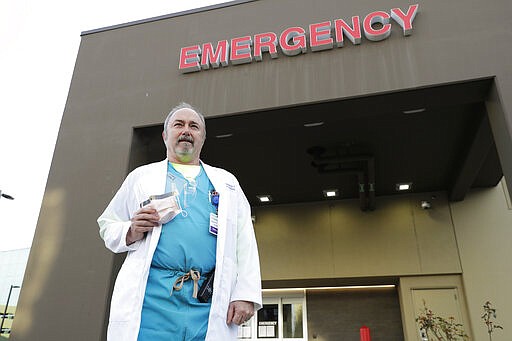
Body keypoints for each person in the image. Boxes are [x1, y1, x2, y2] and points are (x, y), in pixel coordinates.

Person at [98, 102, 262, 341]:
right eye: (179, 124)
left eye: (194, 126)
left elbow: (245, 240)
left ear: (202, 138)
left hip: (207, 299)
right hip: (152, 299)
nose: (186, 130)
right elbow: (107, 224)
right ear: (165, 136)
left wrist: (245, 293)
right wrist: (131, 231)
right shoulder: (141, 178)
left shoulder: (227, 183)